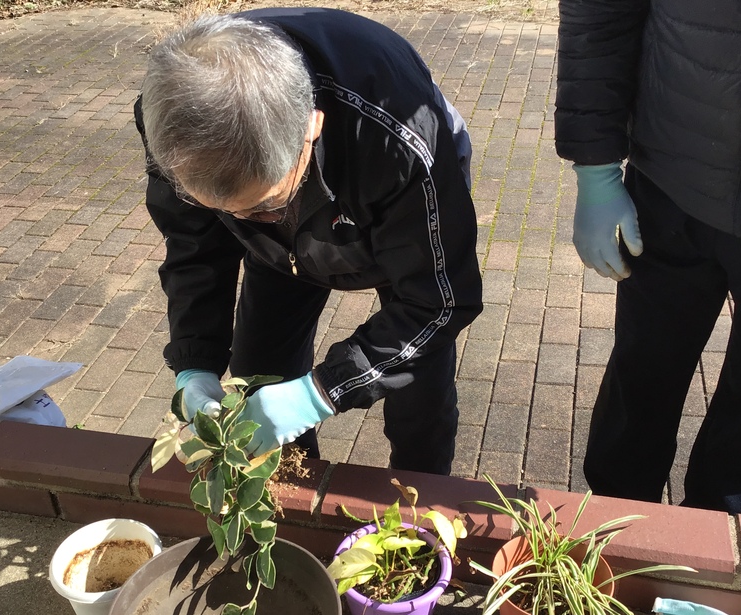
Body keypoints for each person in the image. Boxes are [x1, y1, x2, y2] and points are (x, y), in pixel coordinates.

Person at [135, 8, 482, 475]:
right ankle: (290, 502)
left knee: (415, 393)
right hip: (285, 249)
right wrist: (194, 362)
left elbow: (437, 303)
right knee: (258, 371)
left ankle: (420, 503)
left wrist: (323, 391)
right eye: (229, 213)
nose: (247, 221)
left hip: (387, 213)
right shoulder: (174, 117)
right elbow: (194, 244)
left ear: (311, 126)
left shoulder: (399, 142)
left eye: (264, 206)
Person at [556, 1, 741, 515]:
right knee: (642, 371)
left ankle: (714, 552)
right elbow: (600, 11)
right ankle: (616, 528)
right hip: (672, 183)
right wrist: (594, 165)